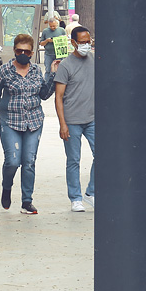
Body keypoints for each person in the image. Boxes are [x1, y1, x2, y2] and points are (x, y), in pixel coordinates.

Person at [0, 33, 57, 214]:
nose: (22, 53)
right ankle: (7, 187)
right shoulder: (4, 70)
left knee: (29, 161)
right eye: (19, 50)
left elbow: (44, 94)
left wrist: (52, 74)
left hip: (34, 122)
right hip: (10, 121)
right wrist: (0, 115)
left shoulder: (36, 71)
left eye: (26, 51)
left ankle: (27, 201)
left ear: (31, 53)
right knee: (13, 161)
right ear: (14, 51)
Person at [54, 25, 95, 212]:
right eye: (83, 42)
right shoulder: (66, 66)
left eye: (89, 41)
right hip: (72, 121)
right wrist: (62, 123)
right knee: (73, 160)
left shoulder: (94, 59)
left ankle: (91, 192)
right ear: (73, 43)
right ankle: (75, 198)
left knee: (102, 155)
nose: (86, 45)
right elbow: (58, 97)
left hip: (93, 119)